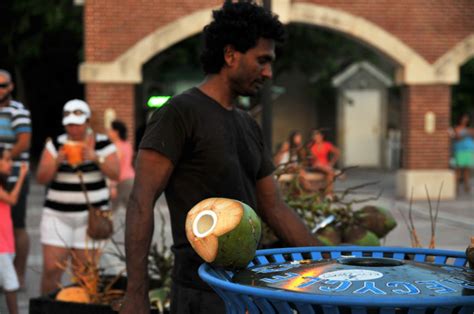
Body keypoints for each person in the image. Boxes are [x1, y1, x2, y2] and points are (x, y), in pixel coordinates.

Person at [121, 2, 320, 314]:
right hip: (200, 292)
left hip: (248, 290)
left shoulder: (248, 125)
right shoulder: (179, 113)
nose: (268, 73)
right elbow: (140, 202)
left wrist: (328, 262)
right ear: (230, 55)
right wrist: (136, 294)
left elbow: (274, 207)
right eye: (262, 61)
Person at [36, 99, 119, 294]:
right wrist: (57, 161)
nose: (73, 129)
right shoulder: (56, 144)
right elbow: (41, 178)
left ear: (88, 121)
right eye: (70, 124)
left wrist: (95, 157)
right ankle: (46, 306)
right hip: (57, 215)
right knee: (51, 269)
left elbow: (116, 173)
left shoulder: (103, 143)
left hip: (90, 218)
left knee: (84, 272)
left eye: (78, 124)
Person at [0, 69, 31, 289]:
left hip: (14, 174)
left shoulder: (17, 110)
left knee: (17, 225)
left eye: (2, 85)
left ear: (11, 87)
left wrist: (6, 157)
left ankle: (18, 275)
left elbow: (24, 141)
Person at [0, 148, 27, 314]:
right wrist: (22, 177)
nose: (11, 164)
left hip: (6, 244)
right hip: (1, 247)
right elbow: (12, 199)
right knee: (11, 283)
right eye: (7, 160)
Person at [107, 120, 135, 212]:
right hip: (131, 179)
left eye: (111, 130)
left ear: (116, 132)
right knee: (131, 211)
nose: (109, 132)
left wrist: (113, 186)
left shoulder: (115, 147)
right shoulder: (127, 145)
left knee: (111, 210)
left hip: (121, 181)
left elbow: (117, 166)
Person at [308, 130, 340, 195]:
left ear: (322, 136)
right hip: (315, 166)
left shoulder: (326, 144)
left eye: (318, 136)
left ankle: (329, 194)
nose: (316, 138)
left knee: (329, 175)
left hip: (325, 166)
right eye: (315, 136)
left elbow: (337, 152)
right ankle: (335, 172)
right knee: (321, 166)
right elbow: (309, 158)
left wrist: (332, 163)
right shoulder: (311, 146)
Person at [453, 113, 474, 193]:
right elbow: (458, 136)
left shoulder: (468, 128)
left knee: (467, 170)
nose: (465, 120)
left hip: (469, 151)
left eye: (466, 118)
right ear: (460, 119)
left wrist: (466, 132)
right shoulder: (456, 128)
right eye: (464, 118)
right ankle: (456, 187)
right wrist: (466, 133)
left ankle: (466, 187)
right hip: (460, 151)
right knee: (458, 169)